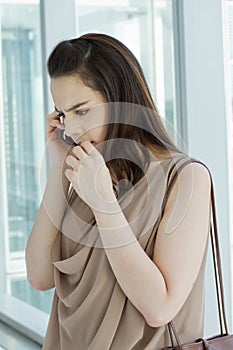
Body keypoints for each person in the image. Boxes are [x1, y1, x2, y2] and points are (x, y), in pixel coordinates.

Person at [25, 33, 211, 350]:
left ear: (121, 99)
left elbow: (160, 307)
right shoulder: (87, 174)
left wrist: (103, 204)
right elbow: (40, 276)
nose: (71, 129)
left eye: (82, 111)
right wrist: (59, 168)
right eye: (62, 114)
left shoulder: (185, 178)